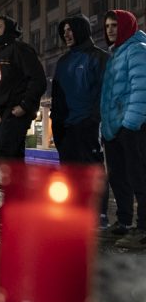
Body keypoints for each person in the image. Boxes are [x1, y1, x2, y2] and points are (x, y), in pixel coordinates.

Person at [50, 14, 109, 227]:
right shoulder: (63, 61)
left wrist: (94, 120)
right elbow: (57, 96)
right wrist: (56, 123)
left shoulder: (99, 57)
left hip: (89, 125)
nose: (66, 35)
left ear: (81, 30)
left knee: (93, 170)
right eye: (63, 31)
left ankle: (99, 214)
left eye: (70, 30)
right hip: (66, 128)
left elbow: (104, 92)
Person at [99, 10, 146, 248]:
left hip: (132, 127)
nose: (110, 30)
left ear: (127, 25)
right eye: (107, 26)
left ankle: (143, 230)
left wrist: (130, 123)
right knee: (119, 178)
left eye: (115, 25)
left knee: (139, 178)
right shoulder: (116, 53)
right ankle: (125, 222)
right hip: (115, 129)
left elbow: (141, 88)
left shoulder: (137, 49)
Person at [0, 15, 46, 161]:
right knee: (13, 159)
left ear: (7, 29)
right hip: (0, 115)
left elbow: (38, 79)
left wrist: (24, 106)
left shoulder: (20, 49)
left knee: (6, 157)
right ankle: (15, 184)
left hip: (14, 113)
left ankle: (6, 184)